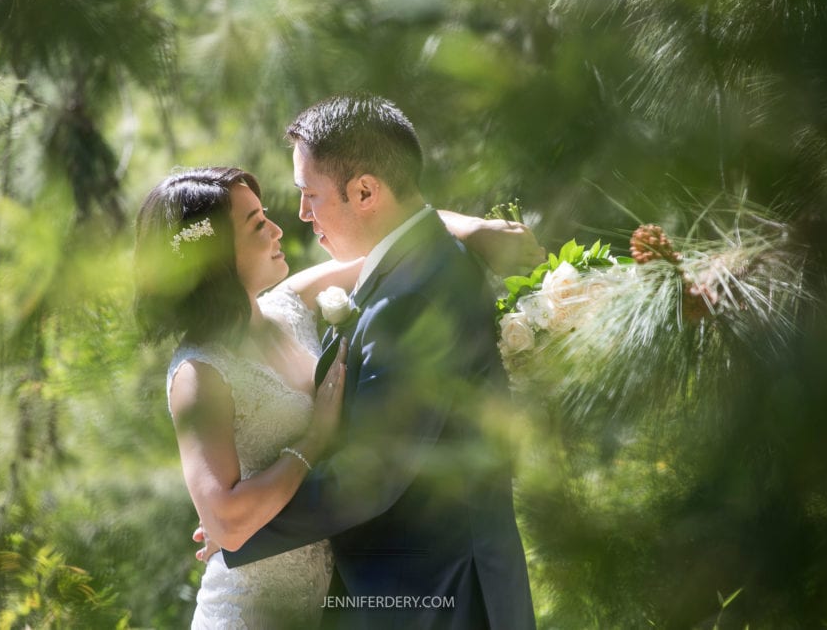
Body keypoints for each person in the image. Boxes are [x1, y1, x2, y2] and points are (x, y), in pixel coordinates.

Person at [134, 164, 541, 628]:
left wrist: (473, 228)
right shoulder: (198, 372)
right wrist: (312, 443)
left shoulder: (289, 304)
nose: (277, 228)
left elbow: (402, 237)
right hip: (255, 611)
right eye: (256, 224)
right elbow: (226, 524)